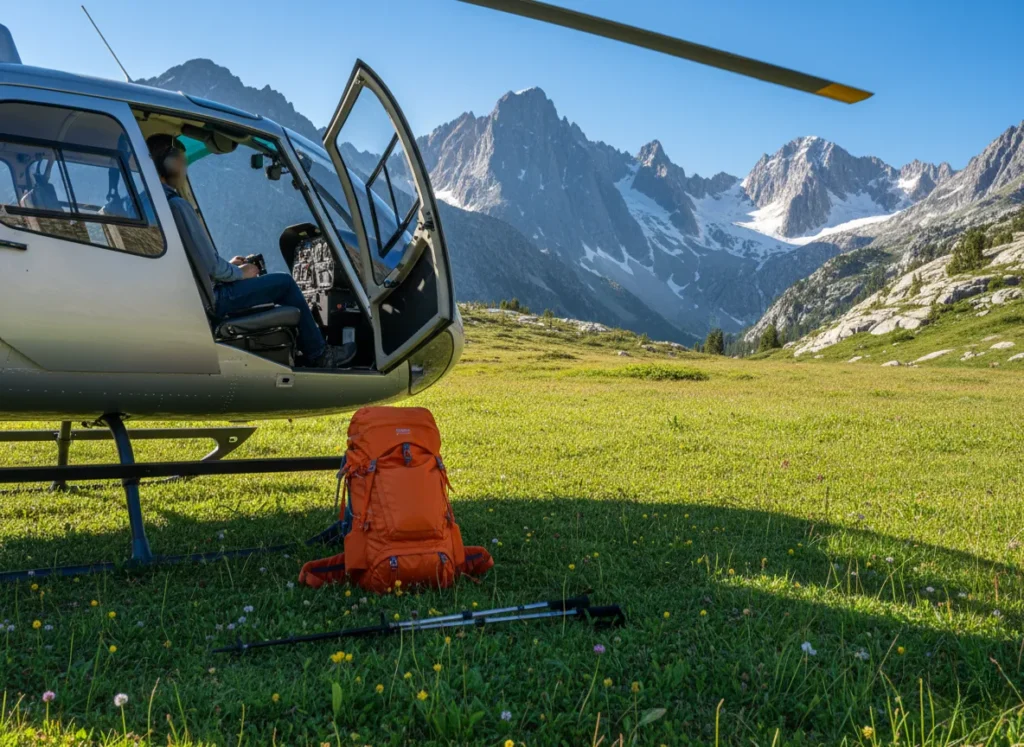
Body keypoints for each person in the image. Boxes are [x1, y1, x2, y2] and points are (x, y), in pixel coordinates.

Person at [145, 133, 354, 368]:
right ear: (169, 163)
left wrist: (230, 267)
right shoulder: (177, 206)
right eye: (182, 162)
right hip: (215, 300)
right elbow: (211, 266)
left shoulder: (155, 204)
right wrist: (241, 273)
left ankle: (304, 349)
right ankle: (320, 355)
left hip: (201, 295)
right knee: (285, 284)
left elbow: (199, 264)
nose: (185, 169)